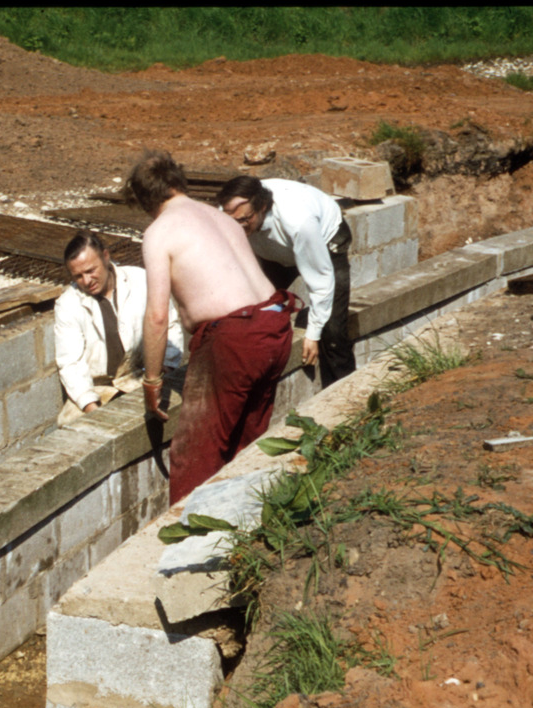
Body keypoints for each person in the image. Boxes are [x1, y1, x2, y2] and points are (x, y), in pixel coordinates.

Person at [129, 152, 298, 505]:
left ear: (146, 201)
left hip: (235, 338)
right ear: (179, 182)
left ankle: (192, 545)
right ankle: (247, 527)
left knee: (196, 455)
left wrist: (152, 380)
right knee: (246, 443)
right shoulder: (218, 217)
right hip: (275, 324)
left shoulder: (159, 231)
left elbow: (157, 316)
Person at [216, 176, 357, 386]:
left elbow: (320, 281)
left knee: (333, 331)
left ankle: (346, 399)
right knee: (253, 308)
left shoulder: (299, 221)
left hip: (324, 240)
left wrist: (313, 334)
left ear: (263, 207)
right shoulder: (229, 212)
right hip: (274, 249)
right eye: (232, 221)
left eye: (245, 220)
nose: (237, 227)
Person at [53, 230, 184, 425]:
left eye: (91, 271)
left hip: (142, 375)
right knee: (75, 429)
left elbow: (169, 325)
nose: (87, 281)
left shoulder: (140, 280)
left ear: (106, 257)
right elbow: (70, 363)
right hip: (98, 389)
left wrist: (165, 367)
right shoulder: (67, 305)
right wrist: (92, 408)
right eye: (78, 276)